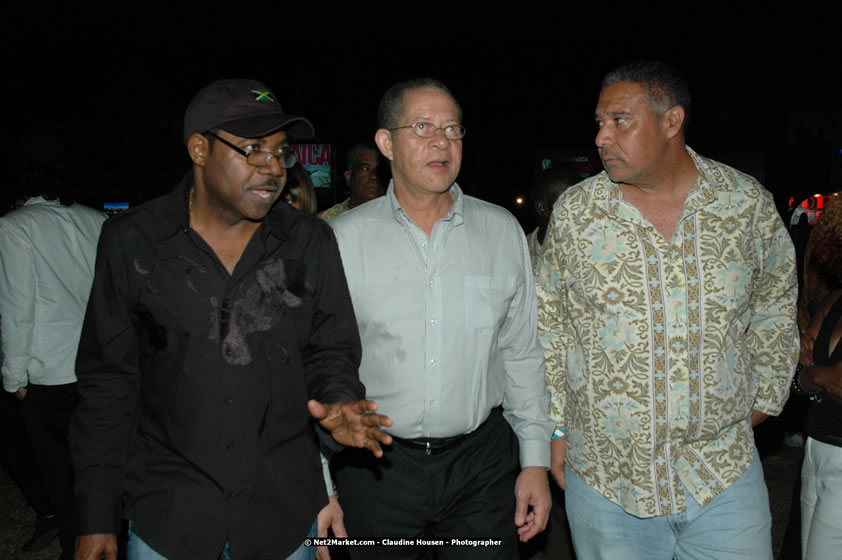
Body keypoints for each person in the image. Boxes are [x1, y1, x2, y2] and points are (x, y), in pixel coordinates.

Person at [69, 78, 392, 560]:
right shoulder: (132, 241)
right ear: (200, 149)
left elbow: (331, 349)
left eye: (281, 152)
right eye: (252, 149)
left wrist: (339, 401)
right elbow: (108, 385)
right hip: (169, 513)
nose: (272, 168)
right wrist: (97, 515)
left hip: (279, 513)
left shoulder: (310, 242)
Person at [536, 60, 799, 559]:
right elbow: (552, 326)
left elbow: (776, 303)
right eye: (598, 122)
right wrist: (557, 428)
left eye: (619, 120)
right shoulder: (577, 213)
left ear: (671, 122)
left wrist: (765, 397)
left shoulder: (745, 205)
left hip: (722, 473)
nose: (601, 137)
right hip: (609, 480)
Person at [330, 78, 553, 559]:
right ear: (386, 143)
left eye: (453, 129)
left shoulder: (500, 231)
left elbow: (520, 353)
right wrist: (321, 482)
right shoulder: (343, 241)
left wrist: (534, 460)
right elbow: (318, 367)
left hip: (481, 466)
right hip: (376, 468)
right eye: (424, 127)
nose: (442, 141)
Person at [0, 166, 106, 560]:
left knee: (62, 478)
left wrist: (14, 378)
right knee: (101, 471)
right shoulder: (95, 220)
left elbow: (16, 309)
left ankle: (75, 550)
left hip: (51, 374)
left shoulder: (14, 226)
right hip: (100, 369)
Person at [794, 194, 842, 559]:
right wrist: (817, 377)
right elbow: (801, 375)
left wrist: (817, 376)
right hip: (816, 447)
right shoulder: (835, 300)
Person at [526, 165, 582, 273]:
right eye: (569, 201)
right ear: (542, 208)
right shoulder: (519, 255)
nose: (579, 207)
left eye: (581, 199)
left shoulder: (597, 249)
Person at [319, 142, 384, 221]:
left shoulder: (398, 219)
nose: (374, 176)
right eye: (365, 169)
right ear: (348, 176)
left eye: (378, 170)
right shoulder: (326, 221)